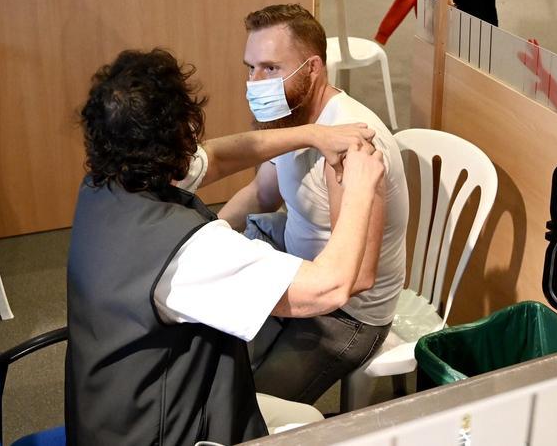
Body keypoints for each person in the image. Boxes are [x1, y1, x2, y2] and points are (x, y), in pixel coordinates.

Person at [66, 48, 387, 444]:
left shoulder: (106, 184)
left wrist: (313, 134)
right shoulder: (191, 253)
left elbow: (214, 157)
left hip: (109, 413)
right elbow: (329, 287)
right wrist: (360, 188)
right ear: (183, 132)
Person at [220, 5, 409, 405]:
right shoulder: (292, 120)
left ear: (313, 69)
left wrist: (263, 297)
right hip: (298, 270)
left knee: (248, 407)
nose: (255, 83)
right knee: (210, 358)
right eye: (250, 67)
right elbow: (263, 193)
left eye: (270, 68)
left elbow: (357, 278)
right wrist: (212, 229)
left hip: (348, 314)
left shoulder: (351, 147)